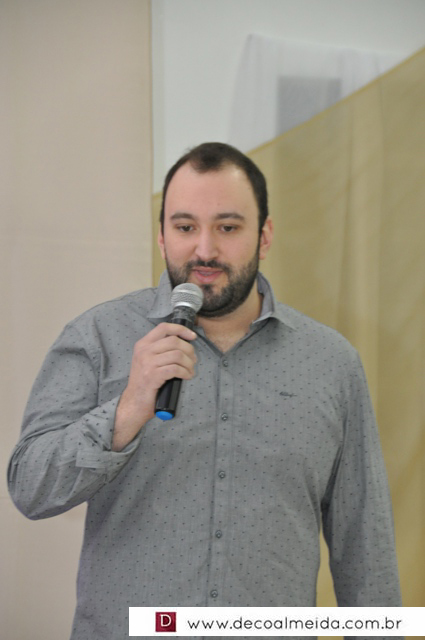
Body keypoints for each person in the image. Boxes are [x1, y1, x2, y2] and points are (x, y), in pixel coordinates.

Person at [8, 142, 402, 639]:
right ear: (161, 236)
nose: (205, 251)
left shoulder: (331, 363)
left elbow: (364, 542)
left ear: (264, 236)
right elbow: (30, 489)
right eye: (185, 227)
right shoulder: (98, 337)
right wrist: (128, 408)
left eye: (228, 227)